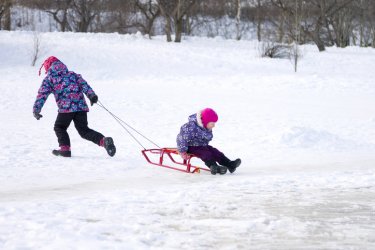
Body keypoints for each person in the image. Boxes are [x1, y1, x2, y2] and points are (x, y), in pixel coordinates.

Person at [33, 56, 116, 157]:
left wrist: (36, 110)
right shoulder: (72, 75)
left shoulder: (50, 78)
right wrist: (92, 96)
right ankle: (104, 141)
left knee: (59, 127)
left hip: (65, 109)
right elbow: (85, 85)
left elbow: (42, 94)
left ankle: (65, 149)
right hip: (81, 108)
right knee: (84, 130)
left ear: (48, 67)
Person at [177, 108, 241, 175]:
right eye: (212, 123)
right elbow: (181, 138)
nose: (214, 125)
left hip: (202, 145)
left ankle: (229, 164)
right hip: (191, 147)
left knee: (215, 152)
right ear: (205, 121)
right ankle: (213, 166)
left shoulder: (205, 127)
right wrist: (183, 151)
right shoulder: (190, 127)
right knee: (205, 153)